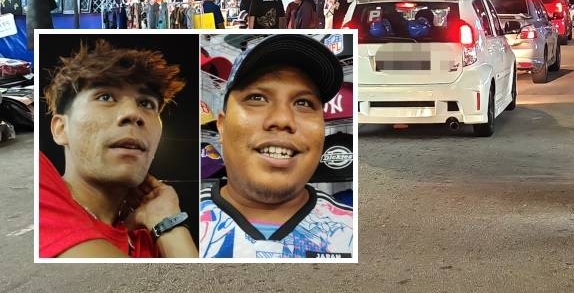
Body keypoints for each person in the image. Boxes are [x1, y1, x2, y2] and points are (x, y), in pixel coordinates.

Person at [39, 40, 197, 258]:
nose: (134, 114)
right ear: (61, 129)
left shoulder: (152, 239)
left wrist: (167, 218)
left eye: (146, 104)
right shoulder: (36, 182)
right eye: (105, 97)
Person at [200, 35, 353, 258]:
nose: (282, 119)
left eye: (304, 103)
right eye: (257, 98)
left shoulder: (352, 232)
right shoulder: (179, 232)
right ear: (221, 126)